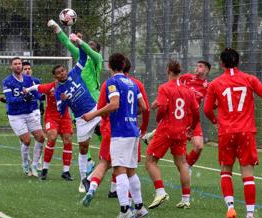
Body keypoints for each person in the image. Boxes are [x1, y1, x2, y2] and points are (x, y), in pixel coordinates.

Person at [204, 48, 262, 218]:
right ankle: (250, 214)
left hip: (226, 132)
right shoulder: (249, 79)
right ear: (238, 62)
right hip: (246, 132)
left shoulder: (215, 83)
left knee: (225, 170)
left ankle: (230, 207)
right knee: (248, 175)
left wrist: (216, 121)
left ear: (222, 64)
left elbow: (207, 110)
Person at [82, 53, 147, 218]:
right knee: (131, 171)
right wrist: (130, 114)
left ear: (109, 66)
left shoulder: (112, 82)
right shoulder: (133, 83)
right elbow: (143, 107)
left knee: (119, 170)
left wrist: (93, 115)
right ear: (124, 64)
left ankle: (125, 209)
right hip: (133, 130)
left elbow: (114, 104)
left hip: (121, 132)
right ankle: (139, 207)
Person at [48, 20, 103, 172]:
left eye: (91, 45)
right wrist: (58, 29)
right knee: (83, 138)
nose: (88, 46)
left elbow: (88, 51)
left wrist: (80, 41)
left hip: (94, 100)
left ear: (96, 50)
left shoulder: (96, 59)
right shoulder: (80, 57)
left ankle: (106, 154)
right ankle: (90, 162)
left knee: (102, 131)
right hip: (77, 102)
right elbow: (66, 42)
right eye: (87, 44)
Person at [146, 59, 200, 210]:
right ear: (180, 72)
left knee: (150, 160)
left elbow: (162, 107)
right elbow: (196, 112)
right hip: (181, 130)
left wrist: (158, 118)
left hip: (166, 129)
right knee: (182, 164)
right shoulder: (188, 90)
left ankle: (160, 192)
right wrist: (192, 127)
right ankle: (186, 199)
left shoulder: (164, 87)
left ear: (167, 70)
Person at [2, 57, 46, 177]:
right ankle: (25, 163)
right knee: (27, 140)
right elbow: (9, 99)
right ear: (11, 66)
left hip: (30, 112)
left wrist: (41, 96)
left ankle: (35, 165)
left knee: (41, 138)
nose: (18, 66)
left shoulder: (28, 79)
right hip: (16, 115)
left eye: (19, 63)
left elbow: (35, 92)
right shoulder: (7, 81)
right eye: (15, 64)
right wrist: (22, 97)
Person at [24, 80, 74, 181]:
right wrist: (27, 90)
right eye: (58, 74)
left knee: (68, 140)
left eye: (63, 73)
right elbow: (37, 87)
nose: (61, 75)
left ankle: (66, 171)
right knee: (52, 137)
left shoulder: (69, 86)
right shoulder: (49, 87)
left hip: (65, 117)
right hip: (51, 117)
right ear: (55, 76)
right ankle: (45, 169)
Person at [179, 61, 211, 169]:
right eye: (196, 66)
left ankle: (187, 168)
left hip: (193, 118)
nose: (197, 68)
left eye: (200, 66)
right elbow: (172, 84)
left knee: (199, 146)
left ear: (206, 70)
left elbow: (213, 103)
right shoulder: (186, 77)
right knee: (178, 148)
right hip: (180, 116)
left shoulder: (208, 86)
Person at [22, 61, 45, 171]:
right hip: (22, 112)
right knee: (25, 138)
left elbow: (39, 95)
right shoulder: (19, 82)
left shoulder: (36, 81)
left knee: (39, 135)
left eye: (29, 68)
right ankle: (26, 159)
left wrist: (42, 105)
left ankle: (38, 161)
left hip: (34, 110)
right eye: (25, 68)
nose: (27, 70)